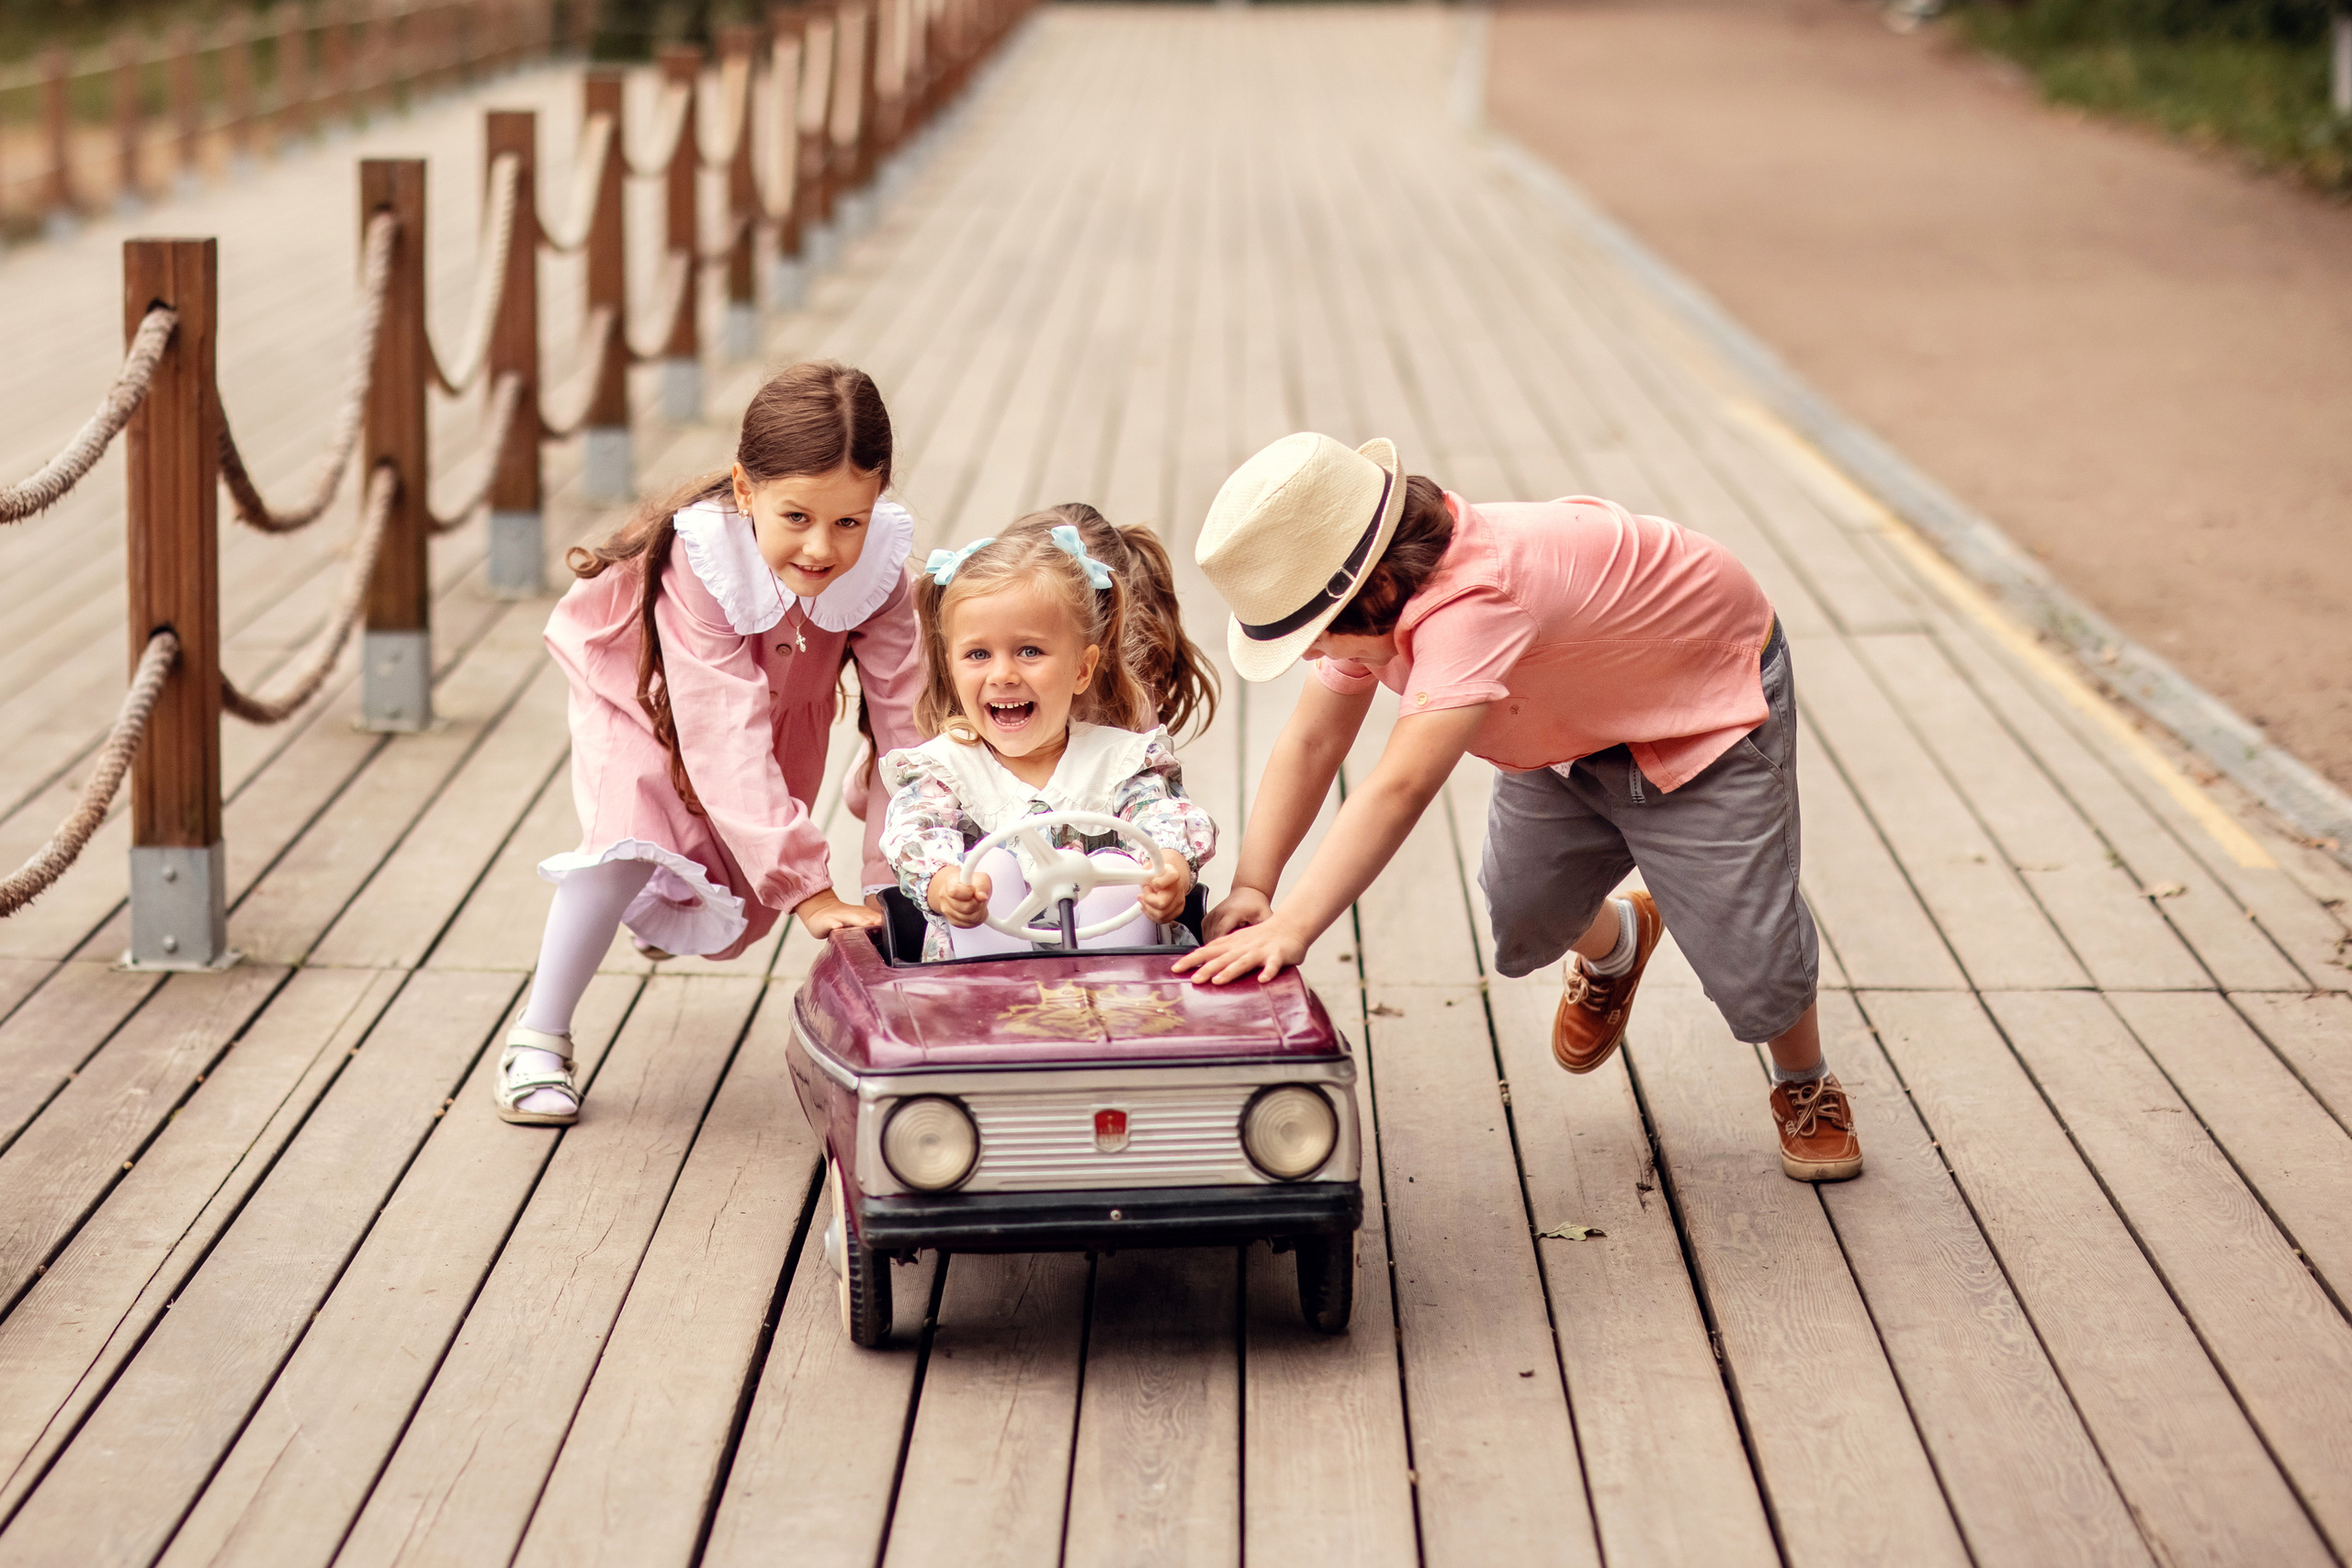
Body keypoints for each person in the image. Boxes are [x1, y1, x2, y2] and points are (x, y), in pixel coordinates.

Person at [1173, 433, 1861, 1182]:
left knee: (1748, 949)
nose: (1312, 655)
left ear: (1372, 591)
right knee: (1523, 910)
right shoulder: (1368, 591)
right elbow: (1313, 741)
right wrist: (1255, 885)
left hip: (1699, 706)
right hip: (1562, 722)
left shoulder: (1473, 604)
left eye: (1313, 637)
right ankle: (1621, 942)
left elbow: (1401, 785)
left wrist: (1295, 926)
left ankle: (1805, 1081)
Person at [497, 362, 922, 1125]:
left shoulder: (881, 571)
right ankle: (538, 1037)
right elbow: (721, 733)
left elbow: (907, 730)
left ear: (878, 498)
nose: (821, 547)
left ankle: (664, 898)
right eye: (797, 516)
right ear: (746, 490)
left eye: (848, 522)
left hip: (778, 712)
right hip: (648, 695)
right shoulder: (705, 562)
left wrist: (896, 883)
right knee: (628, 835)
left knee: (734, 883)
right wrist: (808, 888)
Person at [880, 513, 1217, 961]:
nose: (1002, 674)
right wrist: (945, 885)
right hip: (981, 970)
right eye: (978, 654)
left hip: (1114, 963)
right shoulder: (945, 769)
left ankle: (1116, 982)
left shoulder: (1119, 760)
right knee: (992, 869)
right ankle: (993, 983)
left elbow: (1163, 814)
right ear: (951, 666)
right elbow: (915, 832)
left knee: (1116, 872)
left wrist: (1168, 869)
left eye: (1029, 651)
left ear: (1082, 668)